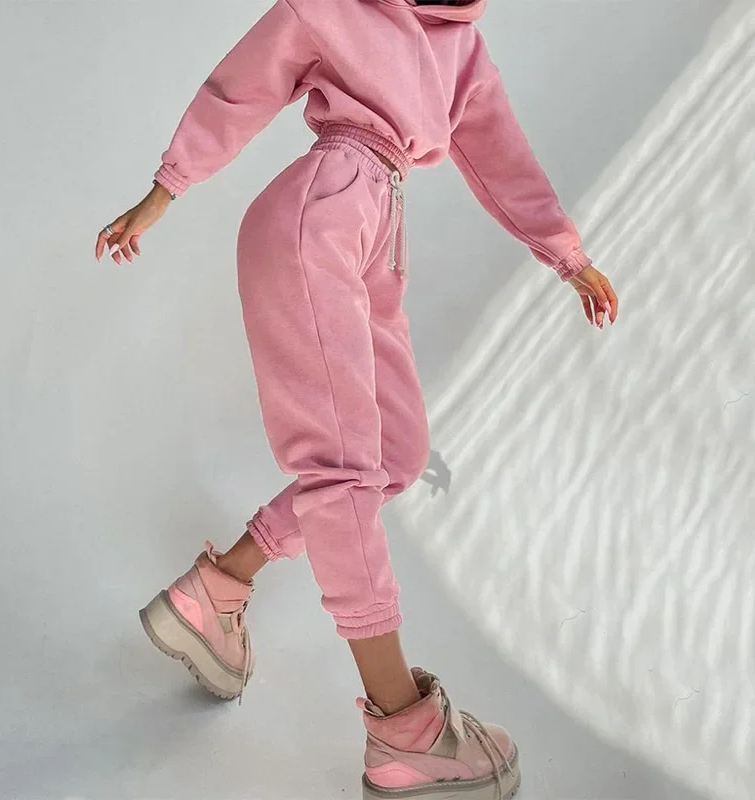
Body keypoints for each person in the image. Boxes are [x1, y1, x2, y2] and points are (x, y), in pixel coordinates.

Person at [95, 1, 618, 797]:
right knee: (342, 467)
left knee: (396, 455)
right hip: (318, 216)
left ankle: (216, 590)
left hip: (376, 233)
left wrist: (566, 255)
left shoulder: (463, 49)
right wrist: (165, 190)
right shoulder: (336, 6)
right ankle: (404, 726)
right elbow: (244, 84)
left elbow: (501, 155)